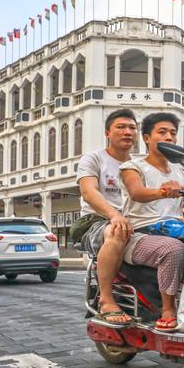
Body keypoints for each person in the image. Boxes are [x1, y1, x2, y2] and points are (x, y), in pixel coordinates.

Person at [119, 112, 184, 331]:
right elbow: (137, 192)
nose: (169, 137)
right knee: (171, 249)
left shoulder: (180, 171)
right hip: (140, 236)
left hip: (176, 232)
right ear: (147, 138)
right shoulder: (132, 167)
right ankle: (167, 311)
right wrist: (163, 192)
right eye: (162, 132)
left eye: (173, 133)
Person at [70, 109, 138, 325]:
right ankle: (106, 300)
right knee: (117, 230)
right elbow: (89, 192)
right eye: (121, 127)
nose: (128, 132)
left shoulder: (139, 166)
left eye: (132, 128)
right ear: (108, 132)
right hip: (95, 221)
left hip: (133, 221)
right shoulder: (94, 158)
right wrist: (114, 215)